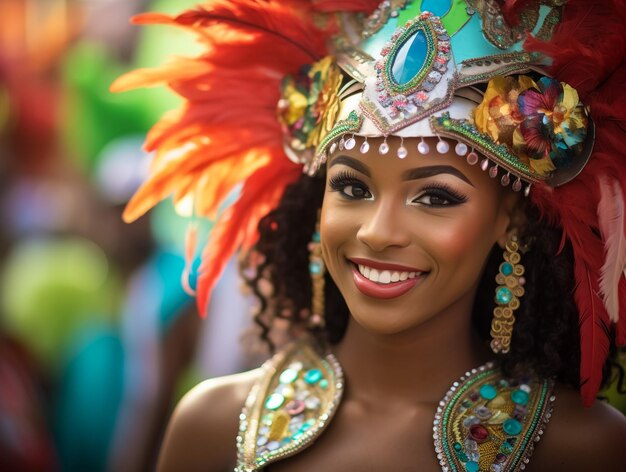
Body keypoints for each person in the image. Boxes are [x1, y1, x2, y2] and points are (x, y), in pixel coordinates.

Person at [112, 0, 626, 470]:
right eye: (352, 187)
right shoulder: (213, 426)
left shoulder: (584, 450)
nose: (378, 233)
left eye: (435, 198)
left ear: (509, 220)